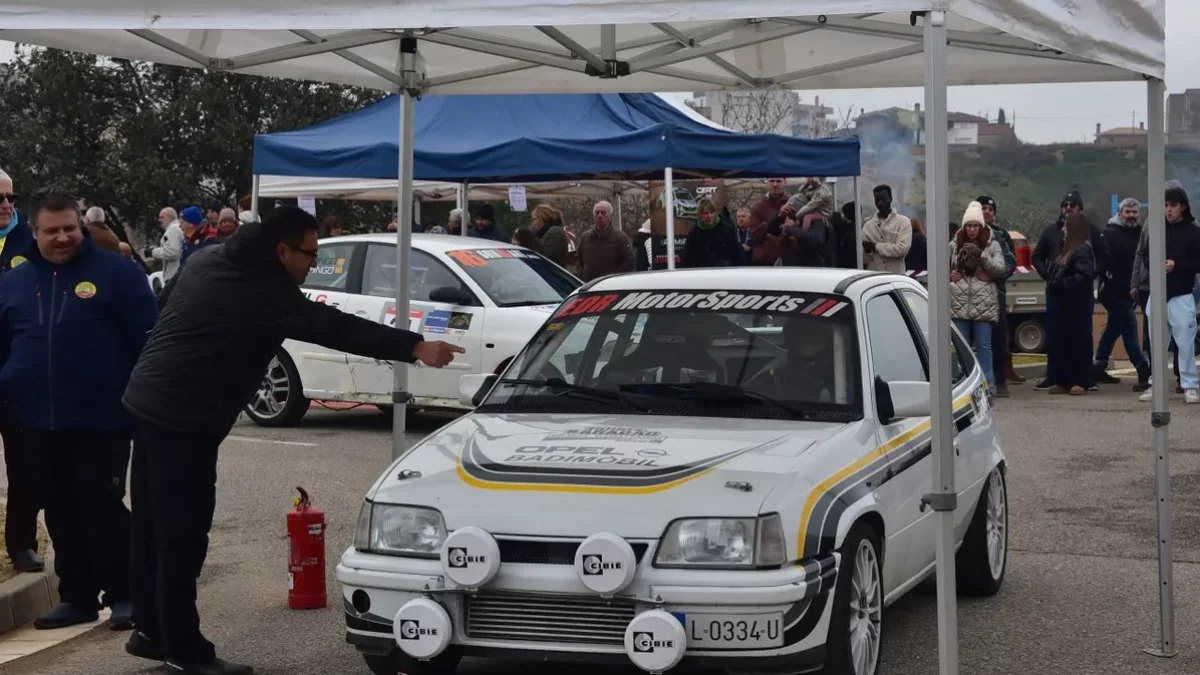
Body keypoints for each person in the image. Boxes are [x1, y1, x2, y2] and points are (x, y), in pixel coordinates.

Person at [120, 207, 464, 675]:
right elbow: (334, 327)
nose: (312, 265)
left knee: (152, 529)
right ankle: (184, 652)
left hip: (146, 400)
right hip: (184, 418)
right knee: (181, 536)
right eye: (309, 255)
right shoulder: (264, 291)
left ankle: (150, 630)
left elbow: (170, 317)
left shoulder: (211, 260)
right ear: (281, 250)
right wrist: (414, 346)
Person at [0, 191, 157, 630]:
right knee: (60, 508)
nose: (63, 237)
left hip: (102, 418)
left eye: (70, 228)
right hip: (33, 421)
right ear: (34, 232)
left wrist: (141, 402)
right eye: (52, 230)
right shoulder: (13, 281)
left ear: (81, 227)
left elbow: (149, 342)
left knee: (101, 505)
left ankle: (126, 594)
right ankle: (78, 597)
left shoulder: (118, 274)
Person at [0, 168, 44, 574]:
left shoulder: (27, 243)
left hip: (15, 376)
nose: (7, 204)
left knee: (25, 464)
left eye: (11, 197)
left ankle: (22, 543)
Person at [1031, 191, 1110, 391]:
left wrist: (1090, 274)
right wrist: (1047, 274)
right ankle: (1057, 377)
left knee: (1079, 335)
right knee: (1058, 335)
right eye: (1065, 204)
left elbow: (1103, 256)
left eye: (1072, 205)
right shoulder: (1051, 231)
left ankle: (1082, 379)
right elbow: (1038, 256)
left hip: (1078, 295)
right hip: (1057, 294)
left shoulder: (1088, 232)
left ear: (1079, 209)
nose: (1068, 208)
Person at [1138, 184, 1200, 404]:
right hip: (1158, 293)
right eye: (1165, 205)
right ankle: (1156, 384)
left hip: (1182, 295)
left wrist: (1177, 265)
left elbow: (1198, 262)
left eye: (1173, 205)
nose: (1168, 210)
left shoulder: (1194, 231)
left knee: (1185, 342)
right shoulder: (1156, 229)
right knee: (1156, 343)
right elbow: (1145, 254)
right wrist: (1154, 265)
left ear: (1182, 206)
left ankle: (1190, 385)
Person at [949, 202, 1007, 394]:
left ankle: (988, 385)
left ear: (981, 226)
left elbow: (1001, 269)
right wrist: (950, 276)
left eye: (975, 225)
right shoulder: (953, 245)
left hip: (984, 303)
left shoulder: (993, 244)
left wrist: (982, 257)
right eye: (968, 225)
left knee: (984, 346)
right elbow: (939, 268)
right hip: (959, 302)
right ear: (964, 227)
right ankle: (962, 387)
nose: (972, 229)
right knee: (961, 348)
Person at [1096, 198, 1151, 390]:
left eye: (1135, 212)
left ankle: (1098, 367)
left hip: (1132, 290)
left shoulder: (1141, 233)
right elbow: (1102, 263)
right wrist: (1112, 280)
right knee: (1129, 328)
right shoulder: (1109, 234)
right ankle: (1143, 370)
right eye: (1127, 212)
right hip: (1113, 291)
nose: (1131, 215)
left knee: (1113, 329)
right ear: (1120, 214)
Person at [1044, 213, 1098, 395]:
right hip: (1063, 306)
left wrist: (1063, 284)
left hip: (1076, 305)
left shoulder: (1082, 249)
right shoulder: (1066, 249)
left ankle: (1080, 381)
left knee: (1078, 343)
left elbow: (1084, 275)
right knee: (1063, 342)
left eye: (1066, 227)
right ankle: (1063, 380)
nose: (1063, 230)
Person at [977, 196, 1020, 395]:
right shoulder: (966, 233)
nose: (986, 212)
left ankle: (1000, 380)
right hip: (971, 294)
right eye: (983, 208)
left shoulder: (1001, 236)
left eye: (990, 209)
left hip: (996, 292)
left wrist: (998, 274)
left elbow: (1011, 262)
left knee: (998, 337)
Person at [577, 201, 634, 281]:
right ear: (593, 216)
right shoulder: (585, 238)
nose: (600, 215)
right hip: (589, 285)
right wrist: (582, 276)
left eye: (603, 213)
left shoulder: (621, 238)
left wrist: (614, 278)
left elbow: (629, 263)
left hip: (611, 286)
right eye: (597, 213)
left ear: (610, 216)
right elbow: (579, 261)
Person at [861, 185, 912, 272]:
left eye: (883, 199)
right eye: (877, 200)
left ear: (890, 199)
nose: (880, 203)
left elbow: (902, 249)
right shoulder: (868, 226)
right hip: (875, 277)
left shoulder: (903, 222)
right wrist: (868, 251)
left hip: (896, 277)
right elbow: (864, 257)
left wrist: (875, 247)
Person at [681, 197, 742, 268]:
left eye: (712, 212)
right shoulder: (694, 233)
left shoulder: (727, 228)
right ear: (700, 215)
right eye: (706, 213)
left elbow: (736, 252)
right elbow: (688, 258)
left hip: (725, 270)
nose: (709, 216)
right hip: (703, 272)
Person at [747, 179, 789, 266]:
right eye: (772, 181)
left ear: (785, 182)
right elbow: (754, 235)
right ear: (767, 182)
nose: (775, 184)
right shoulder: (758, 206)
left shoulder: (792, 203)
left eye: (778, 181)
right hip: (764, 261)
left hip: (789, 260)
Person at [150, 207, 184, 282]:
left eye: (162, 217)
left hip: (174, 275)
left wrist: (153, 252)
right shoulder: (178, 227)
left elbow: (171, 252)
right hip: (179, 273)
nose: (159, 220)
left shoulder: (172, 229)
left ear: (171, 217)